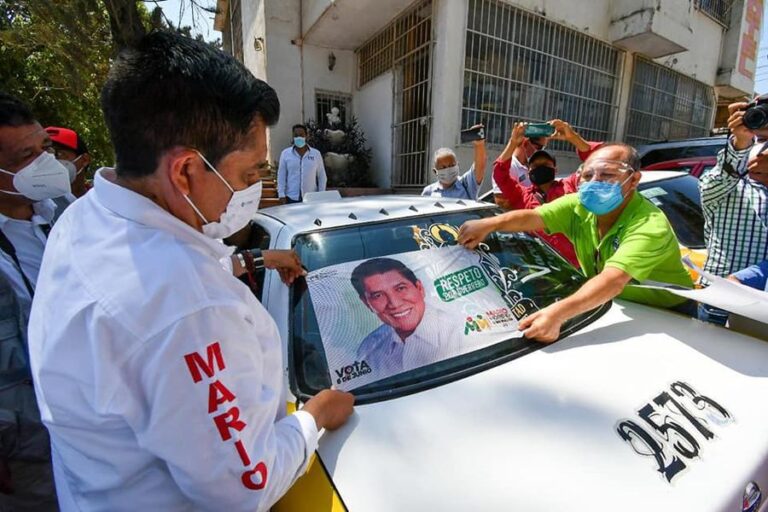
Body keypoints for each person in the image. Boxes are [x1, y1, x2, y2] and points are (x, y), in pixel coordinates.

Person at [27, 32, 354, 511]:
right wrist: (314, 416)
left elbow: (189, 259)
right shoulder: (184, 308)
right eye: (248, 176)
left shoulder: (86, 216)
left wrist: (254, 259)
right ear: (184, 172)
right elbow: (244, 489)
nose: (252, 191)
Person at [458, 143, 694, 343]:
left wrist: (558, 314)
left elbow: (613, 279)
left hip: (669, 314)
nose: (594, 183)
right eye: (588, 175)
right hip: (612, 306)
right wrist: (490, 224)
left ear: (633, 180)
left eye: (607, 175)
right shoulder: (579, 205)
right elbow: (534, 217)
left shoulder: (649, 225)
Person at [0, 93, 68, 510]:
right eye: (27, 155)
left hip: (89, 421)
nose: (44, 163)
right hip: (25, 447)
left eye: (44, 148)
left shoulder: (62, 212)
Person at [493, 120, 601, 267]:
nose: (541, 168)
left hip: (581, 267)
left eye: (546, 165)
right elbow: (500, 173)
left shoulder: (571, 185)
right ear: (529, 171)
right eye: (536, 165)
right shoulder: (522, 196)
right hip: (545, 272)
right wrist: (513, 143)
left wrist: (572, 137)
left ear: (555, 170)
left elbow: (600, 162)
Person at [698, 100, 768, 325]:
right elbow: (721, 177)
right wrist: (741, 140)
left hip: (762, 308)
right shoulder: (725, 187)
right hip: (718, 302)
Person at [350, 258, 464, 376]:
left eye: (400, 288)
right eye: (378, 295)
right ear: (366, 303)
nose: (394, 303)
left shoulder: (460, 329)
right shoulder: (368, 350)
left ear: (419, 288)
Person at [421, 124, 486, 199]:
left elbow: (480, 166)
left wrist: (479, 145)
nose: (448, 169)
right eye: (443, 167)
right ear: (435, 171)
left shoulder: (466, 184)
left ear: (457, 165)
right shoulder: (428, 192)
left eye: (451, 165)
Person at [277, 124, 327, 203]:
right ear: (293, 137)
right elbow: (281, 176)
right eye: (296, 136)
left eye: (301, 135)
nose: (298, 138)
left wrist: (321, 193)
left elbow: (322, 175)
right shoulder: (285, 154)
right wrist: (281, 194)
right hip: (291, 198)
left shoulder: (316, 154)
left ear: (306, 136)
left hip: (311, 198)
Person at [45, 126, 91, 200]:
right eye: (44, 155)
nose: (49, 161)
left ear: (85, 160)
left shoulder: (102, 199)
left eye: (58, 154)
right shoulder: (36, 205)